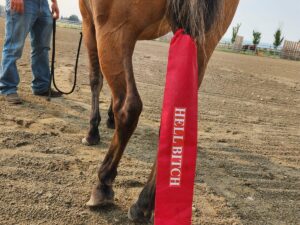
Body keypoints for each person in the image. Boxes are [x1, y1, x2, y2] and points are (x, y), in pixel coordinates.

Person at [0, 0, 61, 104]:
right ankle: (7, 88)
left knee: (42, 48)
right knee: (13, 46)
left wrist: (54, 2)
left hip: (43, 4)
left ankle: (41, 86)